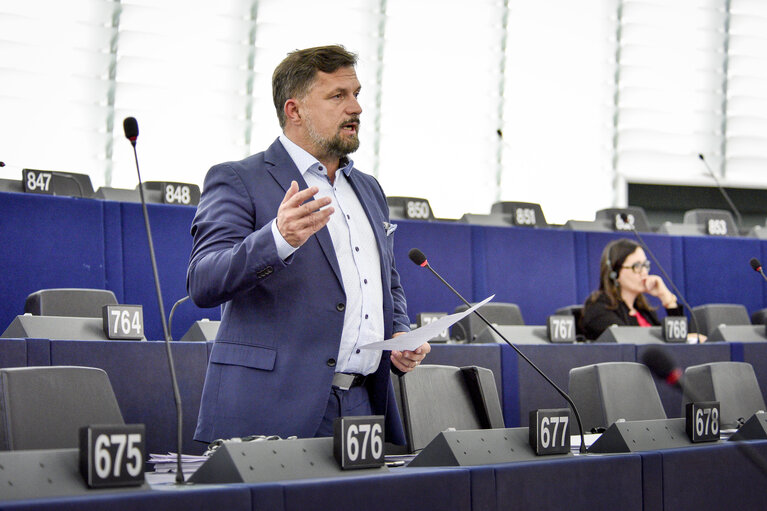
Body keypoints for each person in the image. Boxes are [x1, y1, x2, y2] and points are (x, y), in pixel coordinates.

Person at [187, 45, 430, 444]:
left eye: (356, 94)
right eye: (338, 96)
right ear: (294, 110)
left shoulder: (369, 189)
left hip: (364, 403)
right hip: (271, 407)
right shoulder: (238, 179)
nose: (356, 108)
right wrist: (276, 239)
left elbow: (388, 284)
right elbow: (203, 281)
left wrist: (400, 336)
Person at [581, 238, 685, 340]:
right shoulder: (598, 307)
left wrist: (667, 299)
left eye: (645, 265)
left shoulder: (644, 310)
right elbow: (626, 340)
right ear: (615, 273)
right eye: (637, 266)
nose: (644, 272)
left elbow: (677, 339)